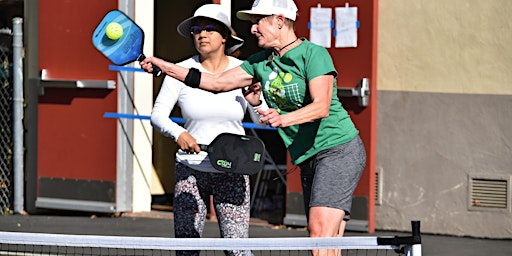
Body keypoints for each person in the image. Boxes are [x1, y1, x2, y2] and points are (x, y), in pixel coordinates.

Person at [141, 0, 366, 254]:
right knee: (327, 241)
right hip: (307, 155)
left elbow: (322, 106)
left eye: (259, 21)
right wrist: (166, 67)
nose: (253, 29)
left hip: (338, 149)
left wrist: (283, 119)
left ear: (280, 20)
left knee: (318, 233)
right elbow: (214, 83)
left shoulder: (313, 54)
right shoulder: (260, 63)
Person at [149, 4, 267, 256]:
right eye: (196, 29)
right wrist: (178, 133)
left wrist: (256, 103)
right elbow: (158, 116)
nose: (202, 34)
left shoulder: (245, 71)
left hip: (233, 171)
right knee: (187, 250)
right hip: (190, 170)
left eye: (210, 28)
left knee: (237, 251)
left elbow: (261, 122)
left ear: (224, 36)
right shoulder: (179, 73)